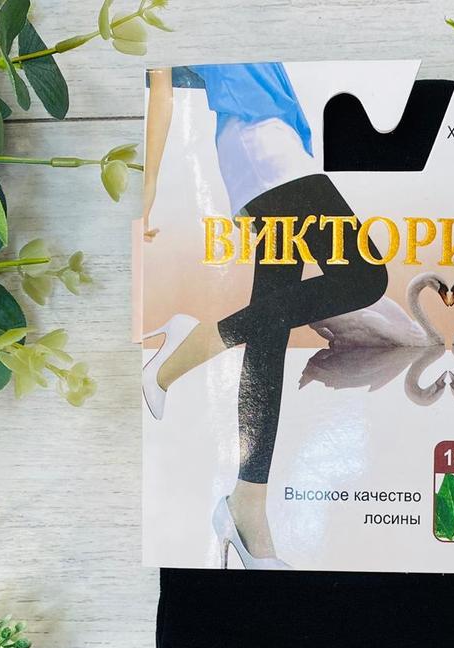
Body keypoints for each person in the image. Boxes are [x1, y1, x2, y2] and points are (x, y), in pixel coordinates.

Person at [142, 63, 387, 569]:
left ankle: (247, 506)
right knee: (364, 277)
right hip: (262, 148)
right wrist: (146, 197)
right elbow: (160, 82)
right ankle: (193, 345)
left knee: (270, 334)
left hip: (278, 144)